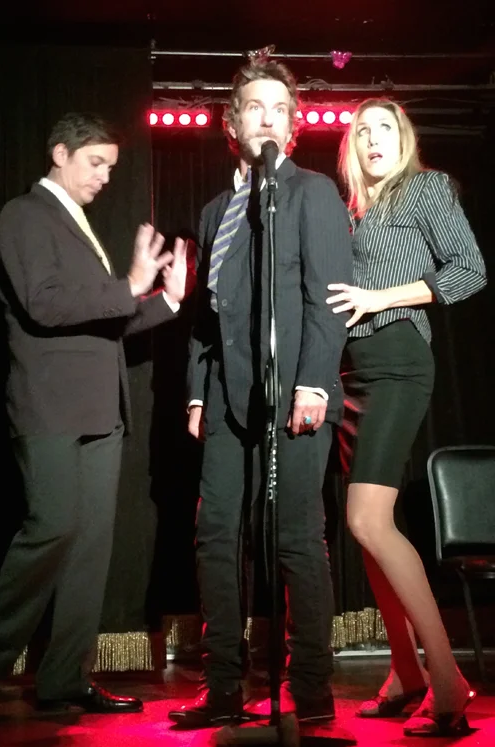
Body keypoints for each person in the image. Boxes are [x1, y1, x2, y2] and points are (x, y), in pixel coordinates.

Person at [0, 112, 187, 715]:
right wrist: (129, 283)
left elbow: (104, 320)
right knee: (50, 529)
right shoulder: (24, 215)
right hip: (49, 407)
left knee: (89, 550)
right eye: (95, 162)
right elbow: (44, 304)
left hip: (100, 411)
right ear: (60, 153)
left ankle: (65, 679)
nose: (105, 176)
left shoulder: (79, 222)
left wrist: (166, 299)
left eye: (111, 166)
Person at [168, 60, 353, 729]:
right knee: (216, 534)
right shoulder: (216, 211)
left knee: (296, 539)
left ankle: (311, 686)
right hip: (227, 400)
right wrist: (197, 392)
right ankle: (222, 683)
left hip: (296, 392)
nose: (267, 117)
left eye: (279, 108)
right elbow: (207, 316)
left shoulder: (312, 192)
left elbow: (327, 300)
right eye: (254, 106)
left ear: (293, 125)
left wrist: (313, 381)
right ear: (233, 122)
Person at [327, 98, 487, 737]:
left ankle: (447, 679)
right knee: (367, 529)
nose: (373, 138)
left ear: (404, 139)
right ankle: (405, 671)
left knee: (367, 519)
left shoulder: (425, 189)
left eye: (385, 128)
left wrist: (379, 297)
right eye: (362, 130)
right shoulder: (348, 214)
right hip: (351, 375)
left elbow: (471, 271)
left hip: (398, 360)